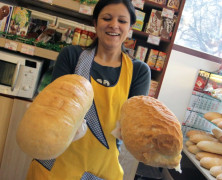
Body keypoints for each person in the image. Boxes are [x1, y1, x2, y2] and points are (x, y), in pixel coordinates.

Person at [26, 0, 151, 179]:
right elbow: (53, 108)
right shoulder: (72, 56)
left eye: (122, 21)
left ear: (130, 27)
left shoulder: (138, 71)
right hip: (57, 164)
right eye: (107, 18)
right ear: (95, 22)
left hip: (100, 170)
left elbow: (133, 126)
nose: (114, 25)